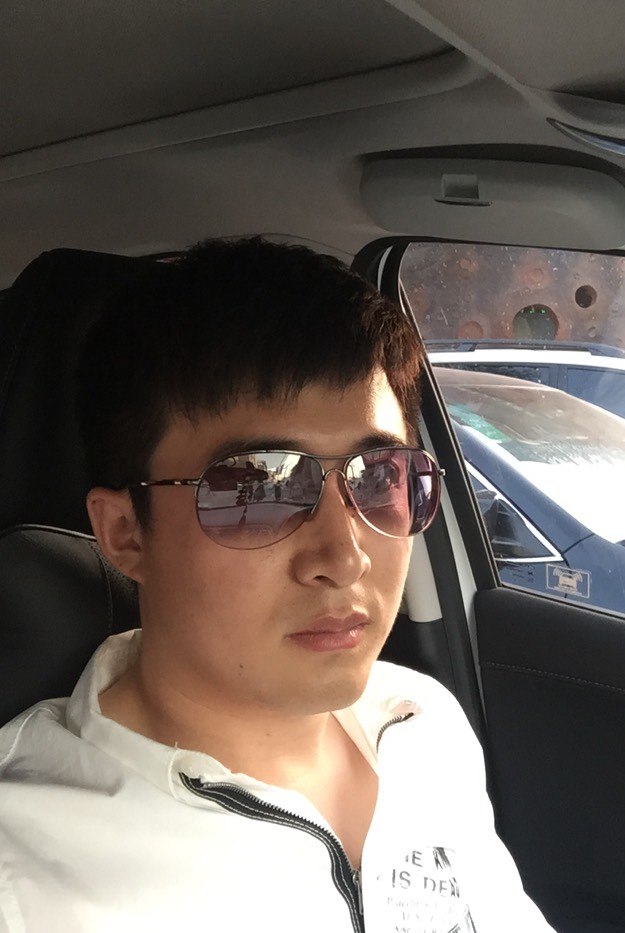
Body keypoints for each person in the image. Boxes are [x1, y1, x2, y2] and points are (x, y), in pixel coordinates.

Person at [0, 238, 554, 932]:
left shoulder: (422, 728)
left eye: (381, 478)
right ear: (125, 533)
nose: (344, 556)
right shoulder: (27, 871)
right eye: (257, 489)